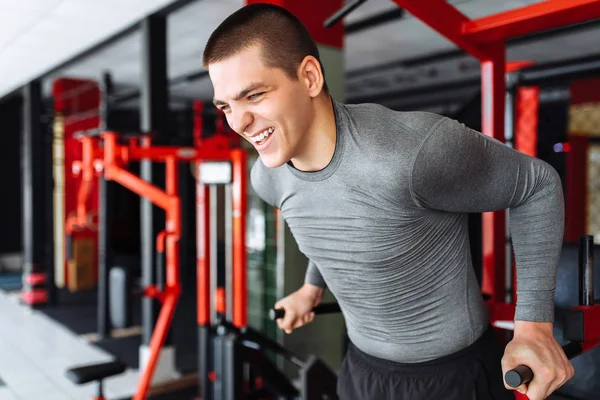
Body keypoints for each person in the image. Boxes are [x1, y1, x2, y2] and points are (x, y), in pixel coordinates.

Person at [202, 3, 573, 400]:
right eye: (226, 106)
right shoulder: (267, 177)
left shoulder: (411, 154)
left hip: (452, 378)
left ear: (309, 77)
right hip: (362, 372)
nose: (237, 123)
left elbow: (538, 185)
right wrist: (311, 289)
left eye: (254, 96)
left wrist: (533, 326)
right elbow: (328, 219)